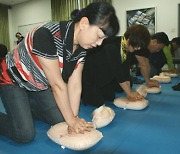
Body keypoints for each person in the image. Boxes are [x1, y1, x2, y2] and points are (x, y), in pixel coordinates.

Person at [0, 2, 119, 143]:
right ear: (84, 23)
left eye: (103, 40)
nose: (99, 43)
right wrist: (71, 121)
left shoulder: (82, 47)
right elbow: (57, 85)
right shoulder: (46, 35)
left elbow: (75, 85)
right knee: (24, 134)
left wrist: (73, 119)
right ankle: (20, 109)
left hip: (39, 84)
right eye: (99, 36)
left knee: (62, 119)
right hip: (13, 81)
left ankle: (25, 106)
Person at [81, 24, 149, 106]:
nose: (138, 49)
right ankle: (83, 93)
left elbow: (125, 70)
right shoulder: (112, 45)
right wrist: (130, 93)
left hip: (104, 76)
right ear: (131, 38)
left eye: (140, 47)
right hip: (90, 78)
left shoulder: (127, 47)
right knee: (97, 103)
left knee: (110, 97)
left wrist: (129, 92)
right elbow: (118, 72)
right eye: (138, 45)